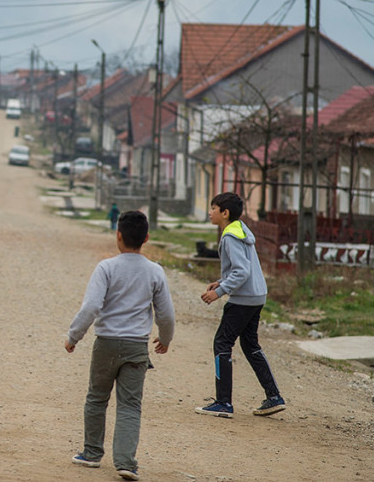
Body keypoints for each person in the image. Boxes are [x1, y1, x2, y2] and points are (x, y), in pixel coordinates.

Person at [65, 210, 175, 481]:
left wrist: (73, 336)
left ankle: (91, 454)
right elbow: (166, 314)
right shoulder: (154, 271)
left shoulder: (106, 268)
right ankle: (125, 462)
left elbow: (91, 307)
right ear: (146, 238)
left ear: (118, 236)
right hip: (137, 347)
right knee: (130, 406)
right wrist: (165, 338)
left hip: (106, 344)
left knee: (96, 398)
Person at [195, 192, 286, 419]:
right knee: (250, 345)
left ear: (224, 213)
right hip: (257, 295)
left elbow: (241, 271)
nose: (210, 212)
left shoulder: (229, 236)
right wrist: (223, 281)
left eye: (213, 208)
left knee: (222, 343)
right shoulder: (241, 230)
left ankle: (223, 403)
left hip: (243, 300)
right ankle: (274, 397)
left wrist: (219, 292)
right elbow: (242, 268)